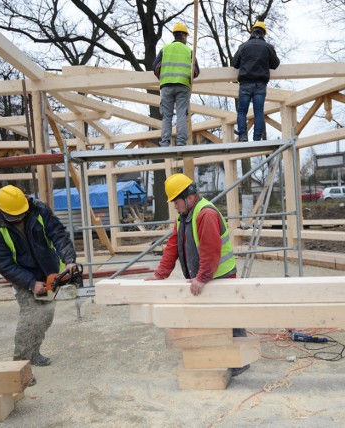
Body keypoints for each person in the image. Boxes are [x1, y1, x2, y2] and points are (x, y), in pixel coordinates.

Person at [145, 173, 250, 376]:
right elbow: (173, 245)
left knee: (229, 316)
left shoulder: (205, 214)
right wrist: (160, 274)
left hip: (221, 275)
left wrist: (202, 277)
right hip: (205, 275)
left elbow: (210, 250)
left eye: (176, 201)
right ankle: (217, 355)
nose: (174, 206)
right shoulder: (184, 216)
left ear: (189, 197)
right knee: (210, 318)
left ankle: (241, 360)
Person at [0, 185, 77, 386]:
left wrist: (69, 260)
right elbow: (4, 263)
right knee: (30, 318)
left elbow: (58, 235)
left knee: (46, 314)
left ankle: (34, 352)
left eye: (21, 214)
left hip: (48, 273)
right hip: (24, 277)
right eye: (14, 216)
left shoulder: (40, 210)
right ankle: (19, 366)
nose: (19, 218)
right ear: (3, 211)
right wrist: (30, 283)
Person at [232, 21, 280, 142]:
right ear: (264, 34)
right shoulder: (268, 47)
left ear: (252, 32)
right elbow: (275, 64)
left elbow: (235, 64)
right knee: (259, 111)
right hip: (260, 84)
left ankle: (242, 136)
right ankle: (257, 137)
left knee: (242, 111)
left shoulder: (243, 46)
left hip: (245, 83)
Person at [153, 22, 200, 147]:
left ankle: (165, 142)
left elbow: (155, 67)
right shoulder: (189, 51)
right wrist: (188, 77)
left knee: (167, 115)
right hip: (183, 86)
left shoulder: (165, 49)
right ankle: (180, 142)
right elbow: (196, 71)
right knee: (181, 114)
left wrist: (163, 78)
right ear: (184, 36)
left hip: (166, 86)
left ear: (175, 35)